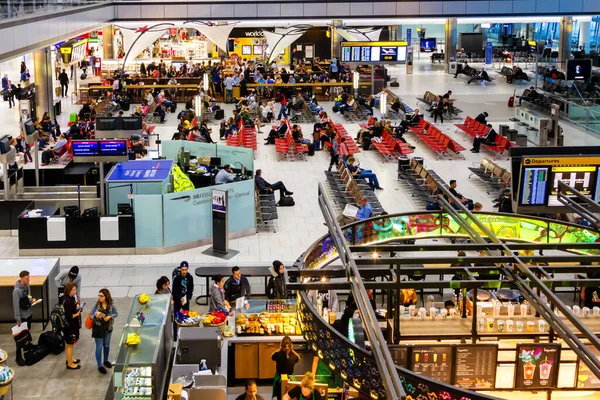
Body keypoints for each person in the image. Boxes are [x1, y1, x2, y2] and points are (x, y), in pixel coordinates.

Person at [91, 289, 118, 374]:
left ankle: (106, 360)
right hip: (98, 328)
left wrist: (109, 317)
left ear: (106, 296)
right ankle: (100, 365)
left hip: (108, 328)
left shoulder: (111, 305)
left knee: (106, 345)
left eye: (101, 296)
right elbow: (91, 314)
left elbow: (116, 313)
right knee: (99, 347)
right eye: (99, 296)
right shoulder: (97, 305)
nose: (99, 298)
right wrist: (96, 316)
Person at [13, 270, 34, 365]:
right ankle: (18, 356)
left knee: (27, 331)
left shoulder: (27, 286)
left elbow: (29, 295)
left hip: (29, 313)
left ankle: (27, 346)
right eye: (26, 278)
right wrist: (18, 319)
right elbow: (16, 305)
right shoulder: (16, 291)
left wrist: (31, 300)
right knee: (21, 337)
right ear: (21, 278)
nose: (28, 279)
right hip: (22, 316)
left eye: (29, 277)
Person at [272, 336, 300, 400]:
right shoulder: (294, 356)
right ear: (291, 345)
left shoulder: (277, 354)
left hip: (279, 381)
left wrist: (279, 349)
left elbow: (272, 356)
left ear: (281, 345)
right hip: (291, 381)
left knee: (280, 397)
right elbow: (298, 358)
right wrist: (292, 350)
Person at [63, 282, 82, 370]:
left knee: (69, 344)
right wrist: (77, 314)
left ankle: (70, 359)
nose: (75, 291)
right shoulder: (68, 301)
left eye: (75, 289)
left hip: (68, 326)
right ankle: (70, 363)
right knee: (70, 344)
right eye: (73, 290)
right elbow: (69, 315)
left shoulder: (67, 298)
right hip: (70, 326)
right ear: (68, 290)